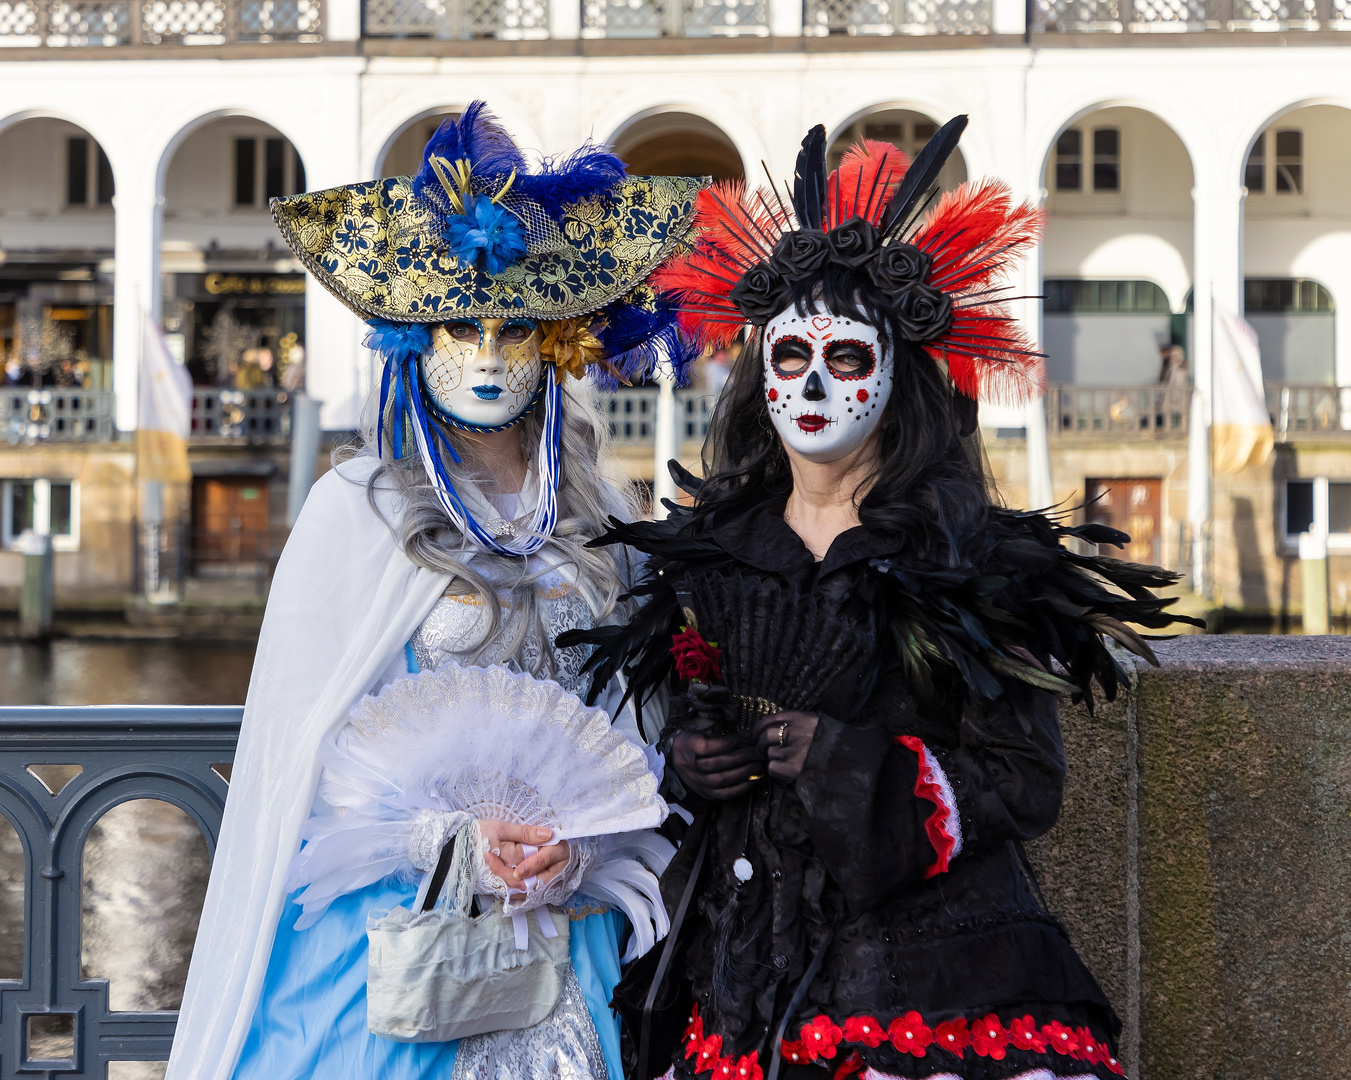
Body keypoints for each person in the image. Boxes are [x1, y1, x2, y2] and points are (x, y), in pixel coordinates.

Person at [563, 118, 1197, 1080]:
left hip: (934, 986)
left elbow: (1024, 781)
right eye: (788, 359)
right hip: (741, 985)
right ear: (758, 375)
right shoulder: (705, 558)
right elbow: (652, 762)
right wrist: (689, 764)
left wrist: (846, 762)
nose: (813, 384)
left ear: (896, 378)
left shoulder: (972, 560)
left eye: (847, 360)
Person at [166, 103, 705, 1080]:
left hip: (558, 930)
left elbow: (630, 741)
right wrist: (437, 837)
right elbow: (302, 755)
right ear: (415, 338)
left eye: (517, 326)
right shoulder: (356, 512)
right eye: (463, 323)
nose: (491, 353)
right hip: (394, 945)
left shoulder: (596, 520)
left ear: (559, 344)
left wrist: (580, 853)